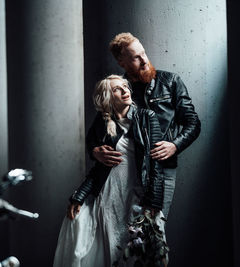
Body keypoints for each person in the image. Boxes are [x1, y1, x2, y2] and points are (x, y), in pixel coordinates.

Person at [53, 75, 166, 267]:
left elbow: (156, 163)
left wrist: (154, 201)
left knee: (141, 255)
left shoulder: (147, 117)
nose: (125, 91)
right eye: (117, 89)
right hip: (109, 198)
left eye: (125, 86)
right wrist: (79, 196)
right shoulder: (103, 122)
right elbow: (99, 167)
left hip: (137, 198)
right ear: (107, 97)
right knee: (111, 252)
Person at [100, 33, 201, 218]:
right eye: (136, 58)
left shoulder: (170, 81)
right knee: (126, 236)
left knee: (154, 232)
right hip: (126, 171)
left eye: (143, 53)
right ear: (122, 62)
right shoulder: (117, 90)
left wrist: (175, 145)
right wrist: (95, 150)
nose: (144, 60)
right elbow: (99, 129)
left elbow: (193, 123)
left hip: (162, 169)